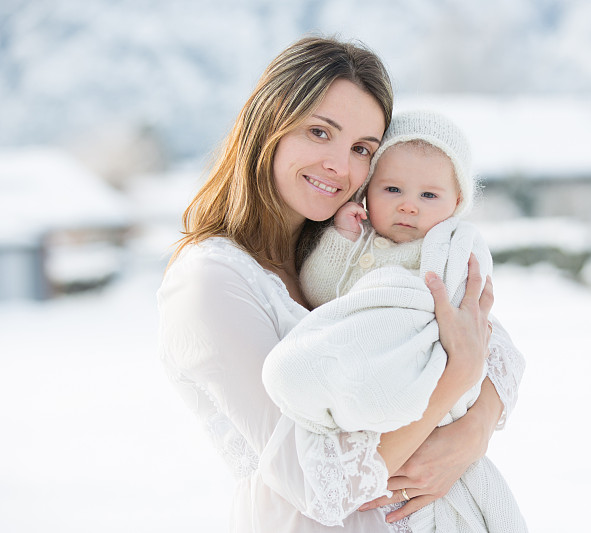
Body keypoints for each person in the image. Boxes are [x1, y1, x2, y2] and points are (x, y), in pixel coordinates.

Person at [157, 35, 526, 532]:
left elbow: (488, 343)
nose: (339, 165)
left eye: (361, 149)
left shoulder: (357, 250)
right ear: (269, 126)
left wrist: (473, 430)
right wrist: (453, 384)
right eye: (318, 132)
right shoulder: (212, 283)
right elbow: (318, 485)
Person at [264, 110, 528, 532]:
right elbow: (324, 293)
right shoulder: (360, 243)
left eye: (429, 196)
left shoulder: (449, 250)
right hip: (370, 381)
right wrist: (341, 240)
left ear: (457, 204)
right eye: (392, 189)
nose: (408, 205)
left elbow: (476, 327)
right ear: (367, 194)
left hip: (432, 386)